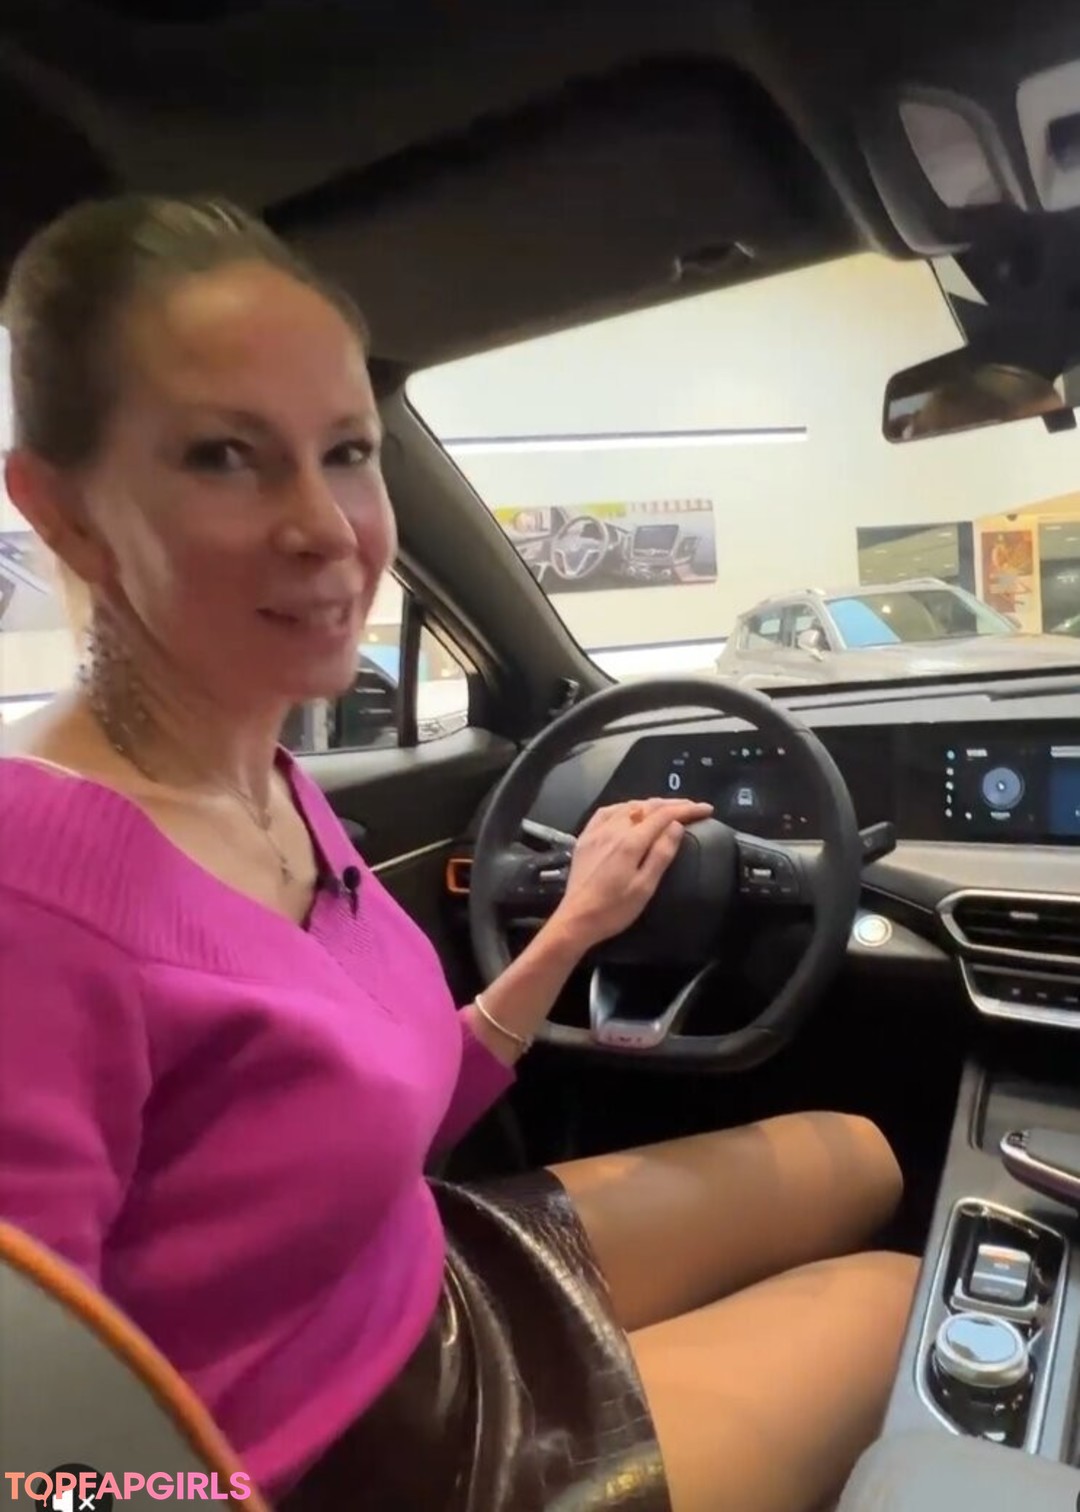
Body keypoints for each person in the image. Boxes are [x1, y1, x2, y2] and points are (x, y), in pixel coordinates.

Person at [0, 196, 918, 1512]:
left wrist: (576, 926)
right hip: (345, 1458)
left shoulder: (265, 776)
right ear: (67, 512)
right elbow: (38, 1478)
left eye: (347, 452)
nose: (329, 528)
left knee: (865, 1149)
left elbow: (381, 1096)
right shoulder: (29, 905)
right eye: (224, 456)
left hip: (415, 1267)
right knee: (896, 1298)